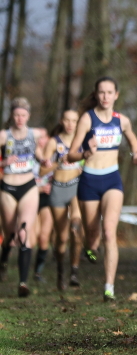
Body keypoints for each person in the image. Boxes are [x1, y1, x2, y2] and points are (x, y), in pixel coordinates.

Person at [67, 76, 137, 302]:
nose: (105, 96)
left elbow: (134, 143)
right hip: (89, 181)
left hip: (112, 179)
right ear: (96, 94)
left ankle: (109, 287)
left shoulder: (122, 121)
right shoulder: (86, 119)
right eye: (101, 92)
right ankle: (90, 248)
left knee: (109, 232)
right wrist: (84, 154)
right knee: (92, 234)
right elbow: (70, 154)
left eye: (109, 92)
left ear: (116, 95)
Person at [0, 97, 47, 296]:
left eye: (23, 115)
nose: (20, 118)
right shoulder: (3, 135)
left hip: (29, 186)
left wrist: (43, 158)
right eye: (17, 114)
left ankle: (23, 283)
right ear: (12, 115)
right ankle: (3, 261)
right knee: (10, 234)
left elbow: (39, 150)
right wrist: (3, 163)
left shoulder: (35, 133)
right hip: (8, 187)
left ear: (28, 116)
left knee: (23, 233)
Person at [40, 109, 84, 292]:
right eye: (67, 120)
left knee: (75, 228)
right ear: (62, 121)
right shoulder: (53, 142)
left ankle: (74, 271)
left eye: (74, 120)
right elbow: (42, 172)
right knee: (62, 238)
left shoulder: (81, 141)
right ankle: (60, 271)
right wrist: (58, 162)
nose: (70, 124)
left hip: (76, 187)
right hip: (58, 189)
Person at [33, 132, 54, 282]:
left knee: (44, 236)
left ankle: (38, 273)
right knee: (31, 238)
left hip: (48, 198)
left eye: (44, 136)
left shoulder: (54, 156)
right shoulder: (27, 157)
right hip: (31, 197)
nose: (42, 140)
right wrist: (38, 188)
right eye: (38, 137)